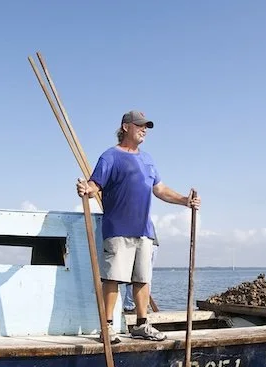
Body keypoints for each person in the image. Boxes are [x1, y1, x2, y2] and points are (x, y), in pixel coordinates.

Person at [76, 110, 200, 342]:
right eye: (140, 125)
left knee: (143, 279)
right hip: (117, 229)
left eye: (146, 127)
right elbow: (95, 184)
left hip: (144, 231)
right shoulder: (110, 157)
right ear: (126, 127)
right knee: (112, 277)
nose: (144, 130)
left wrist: (185, 200)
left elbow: (160, 189)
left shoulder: (148, 160)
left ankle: (142, 324)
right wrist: (87, 189)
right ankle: (107, 327)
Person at [122, 227, 158, 313]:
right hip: (148, 239)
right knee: (143, 277)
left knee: (137, 276)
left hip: (140, 239)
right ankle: (141, 306)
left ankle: (132, 306)